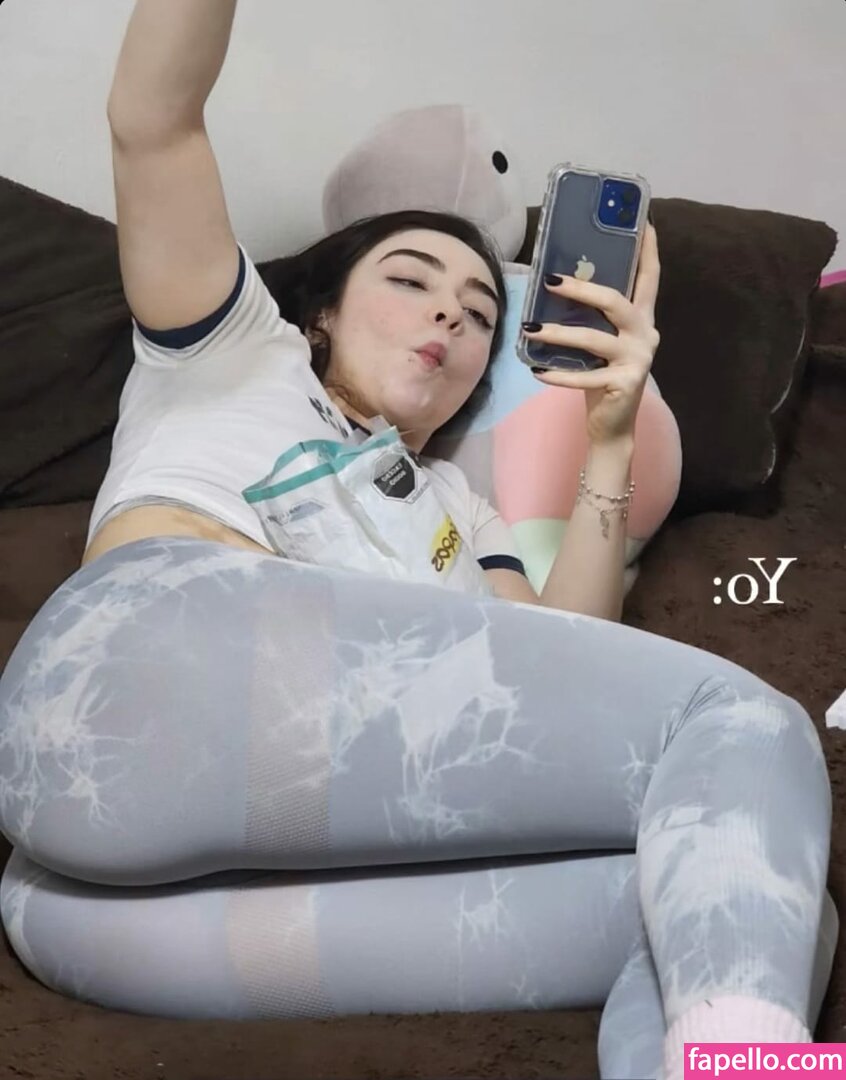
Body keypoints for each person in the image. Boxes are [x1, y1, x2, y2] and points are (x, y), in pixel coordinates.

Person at [0, 3, 834, 1078]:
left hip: (100, 918)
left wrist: (612, 434)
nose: (449, 317)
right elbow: (152, 119)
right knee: (744, 722)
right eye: (408, 281)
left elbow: (569, 655)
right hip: (135, 682)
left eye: (481, 313)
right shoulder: (235, 352)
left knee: (745, 895)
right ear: (320, 313)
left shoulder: (458, 510)